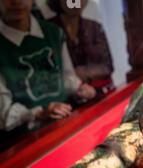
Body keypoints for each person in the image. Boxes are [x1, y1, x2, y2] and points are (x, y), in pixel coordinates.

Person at [0, 0, 95, 133]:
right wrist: (40, 113)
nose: (17, 1)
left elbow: (67, 78)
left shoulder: (54, 33)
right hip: (23, 139)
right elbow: (4, 113)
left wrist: (80, 89)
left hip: (66, 124)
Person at [47, 0, 115, 95]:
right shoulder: (48, 30)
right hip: (64, 98)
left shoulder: (95, 27)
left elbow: (108, 66)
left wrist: (84, 73)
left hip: (98, 92)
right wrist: (71, 79)